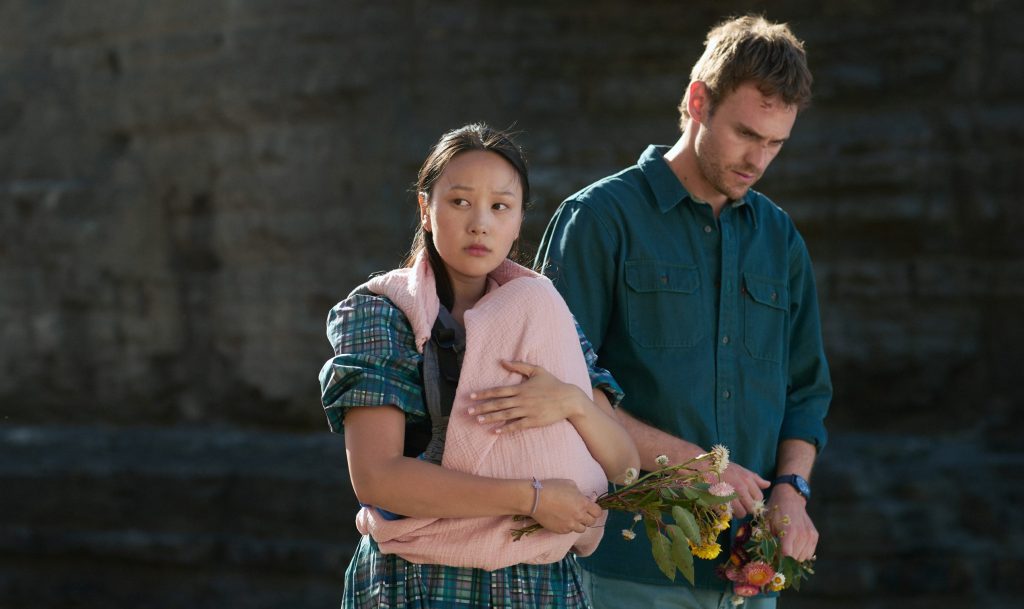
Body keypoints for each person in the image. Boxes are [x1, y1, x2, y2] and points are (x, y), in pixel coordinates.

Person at [534, 15, 832, 609]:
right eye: (745, 134)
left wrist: (791, 491)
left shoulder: (780, 239)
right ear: (698, 102)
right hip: (622, 567)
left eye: (775, 143)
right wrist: (695, 466)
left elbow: (806, 391)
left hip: (749, 575)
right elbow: (558, 389)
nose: (758, 160)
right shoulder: (599, 219)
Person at [318, 123, 640, 609]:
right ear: (425, 210)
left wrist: (571, 402)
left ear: (519, 220)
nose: (480, 224)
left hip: (539, 584)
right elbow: (376, 478)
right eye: (460, 202)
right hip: (423, 581)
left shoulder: (544, 313)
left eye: (500, 206)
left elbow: (625, 466)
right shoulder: (383, 313)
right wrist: (533, 499)